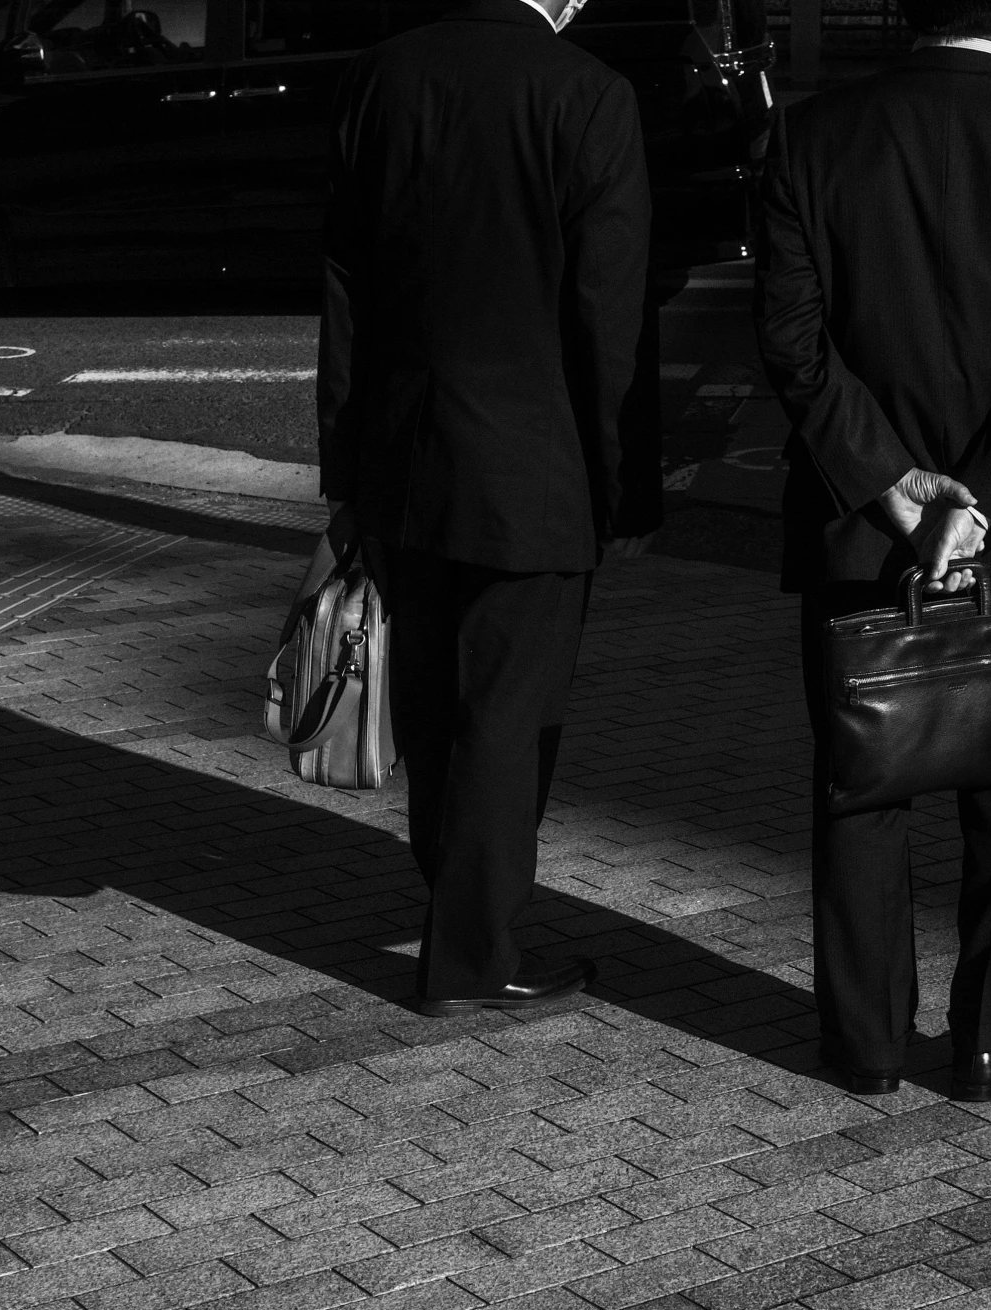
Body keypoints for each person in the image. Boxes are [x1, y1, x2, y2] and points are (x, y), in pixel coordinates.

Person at [754, 0, 991, 1100]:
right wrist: (984, 501)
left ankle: (865, 1042)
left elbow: (791, 340)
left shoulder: (810, 138)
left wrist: (894, 486)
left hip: (858, 519)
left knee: (862, 780)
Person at [317, 0, 658, 1017]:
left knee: (430, 706)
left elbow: (344, 283)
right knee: (508, 717)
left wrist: (344, 466)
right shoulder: (589, 95)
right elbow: (610, 310)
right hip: (537, 464)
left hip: (406, 453)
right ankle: (473, 955)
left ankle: (455, 910)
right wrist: (624, 484)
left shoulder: (382, 75)